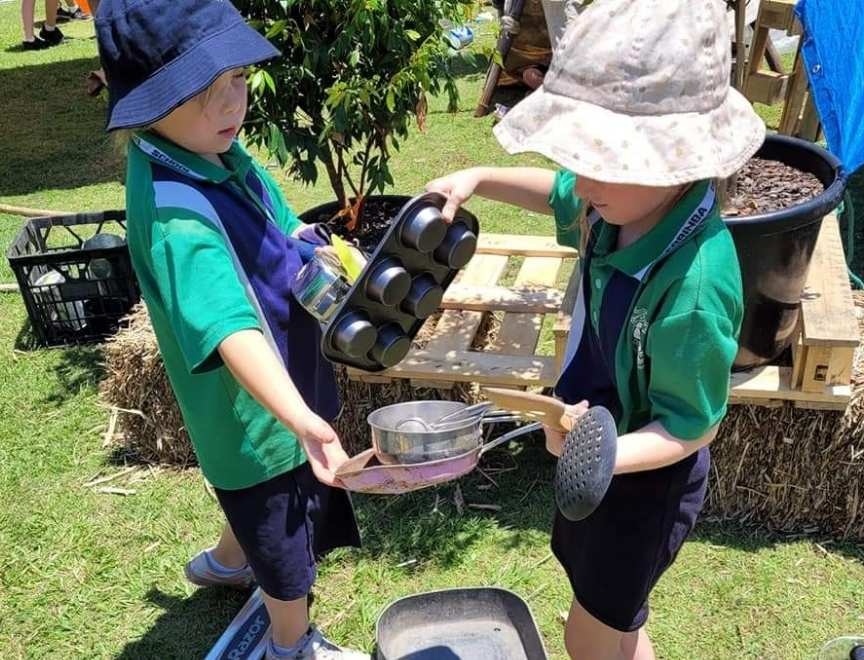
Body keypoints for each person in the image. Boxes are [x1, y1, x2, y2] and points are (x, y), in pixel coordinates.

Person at [426, 0, 764, 657]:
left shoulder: (694, 285)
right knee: (607, 608)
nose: (577, 181)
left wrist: (598, 452)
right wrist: (479, 178)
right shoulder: (616, 203)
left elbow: (694, 425)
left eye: (594, 160)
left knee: (590, 636)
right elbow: (552, 191)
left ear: (673, 157)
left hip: (643, 478)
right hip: (592, 442)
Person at [94, 1, 366, 658]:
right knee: (285, 541)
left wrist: (316, 249)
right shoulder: (175, 217)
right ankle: (289, 640)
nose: (231, 107)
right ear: (146, 104)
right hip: (258, 419)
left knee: (255, 511)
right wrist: (299, 418)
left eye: (237, 80)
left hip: (282, 381)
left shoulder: (210, 150)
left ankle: (224, 560)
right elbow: (229, 328)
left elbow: (276, 217)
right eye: (203, 92)